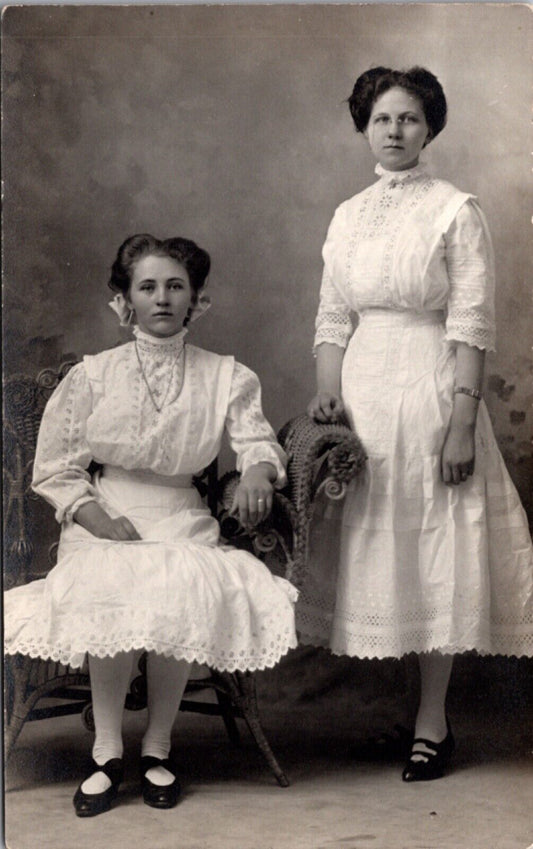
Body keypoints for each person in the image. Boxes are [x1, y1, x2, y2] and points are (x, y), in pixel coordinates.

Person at [5, 233, 298, 815]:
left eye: (175, 287)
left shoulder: (226, 375)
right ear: (124, 303)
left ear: (197, 301)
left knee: (178, 584)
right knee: (116, 584)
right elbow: (56, 468)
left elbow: (255, 440)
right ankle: (107, 750)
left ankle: (158, 747)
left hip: (181, 516)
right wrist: (98, 518)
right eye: (147, 287)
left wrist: (261, 471)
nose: (161, 298)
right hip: (104, 512)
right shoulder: (93, 375)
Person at [302, 66, 533, 781]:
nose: (393, 131)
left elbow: (469, 321)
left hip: (432, 388)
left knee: (434, 553)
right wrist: (326, 398)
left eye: (407, 118)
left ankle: (433, 721)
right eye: (380, 119)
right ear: (363, 127)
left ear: (428, 125)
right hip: (365, 398)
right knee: (386, 555)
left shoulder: (454, 209)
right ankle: (405, 714)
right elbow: (332, 316)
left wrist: (461, 422)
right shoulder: (347, 213)